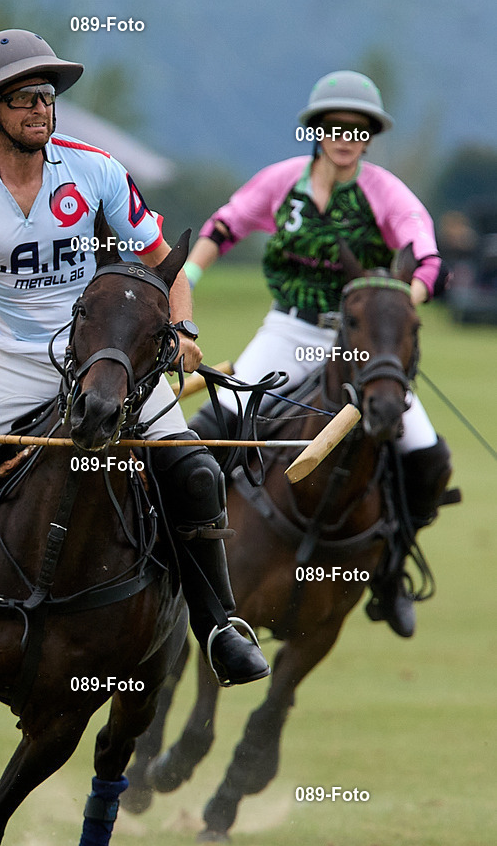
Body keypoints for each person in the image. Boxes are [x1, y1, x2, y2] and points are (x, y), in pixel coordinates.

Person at [0, 28, 269, 687]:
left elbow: (164, 262)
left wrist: (180, 327)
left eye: (45, 96)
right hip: (3, 358)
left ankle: (220, 624)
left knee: (195, 474)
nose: (40, 109)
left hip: (107, 354)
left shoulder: (95, 170)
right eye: (22, 99)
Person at [183, 70, 452, 638]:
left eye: (359, 129)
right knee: (213, 427)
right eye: (336, 126)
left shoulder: (385, 192)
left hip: (363, 345)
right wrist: (185, 278)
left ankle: (391, 570)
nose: (346, 137)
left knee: (427, 456)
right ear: (318, 129)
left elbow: (427, 262)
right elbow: (224, 226)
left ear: (369, 135)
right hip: (290, 331)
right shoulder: (283, 182)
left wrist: (401, 302)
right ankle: (183, 553)